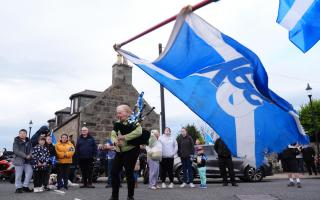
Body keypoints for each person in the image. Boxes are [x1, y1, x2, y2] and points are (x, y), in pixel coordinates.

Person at [109, 104, 142, 200]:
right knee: (114, 172)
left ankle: (130, 196)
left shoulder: (134, 122)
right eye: (117, 113)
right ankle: (114, 196)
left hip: (131, 151)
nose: (118, 115)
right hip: (119, 151)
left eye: (119, 113)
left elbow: (139, 132)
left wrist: (124, 137)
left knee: (129, 173)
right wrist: (115, 142)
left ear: (127, 113)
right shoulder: (117, 123)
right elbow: (113, 134)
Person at [13, 129, 34, 193]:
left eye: (24, 133)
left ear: (26, 134)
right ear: (19, 134)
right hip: (19, 160)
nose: (22, 134)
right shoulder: (16, 141)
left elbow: (31, 149)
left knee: (30, 172)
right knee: (18, 175)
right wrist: (25, 156)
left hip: (27, 161)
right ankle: (18, 187)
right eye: (21, 133)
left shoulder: (29, 141)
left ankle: (25, 186)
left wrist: (30, 155)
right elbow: (16, 151)